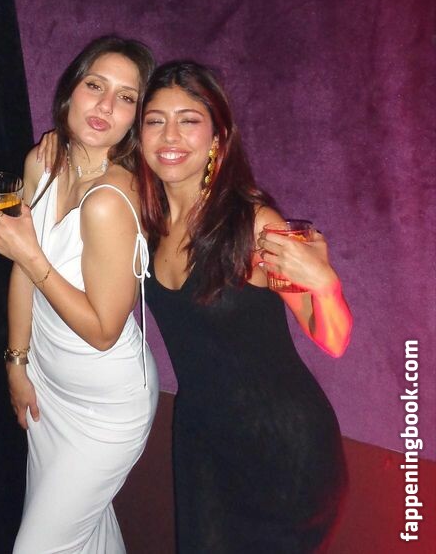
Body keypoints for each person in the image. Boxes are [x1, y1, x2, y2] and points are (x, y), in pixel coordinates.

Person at [139, 61, 352, 554]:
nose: (170, 135)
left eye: (189, 120)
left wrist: (325, 282)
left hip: (283, 451)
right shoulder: (147, 220)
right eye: (155, 120)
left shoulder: (251, 223)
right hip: (203, 444)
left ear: (217, 136)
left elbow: (333, 340)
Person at [0, 36, 159, 554]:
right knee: (90, 535)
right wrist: (16, 364)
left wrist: (28, 253)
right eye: (95, 85)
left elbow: (103, 332)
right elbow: (24, 272)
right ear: (71, 90)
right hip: (49, 389)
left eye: (126, 97)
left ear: (136, 118)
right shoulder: (43, 162)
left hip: (106, 407)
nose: (105, 105)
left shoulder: (112, 199)